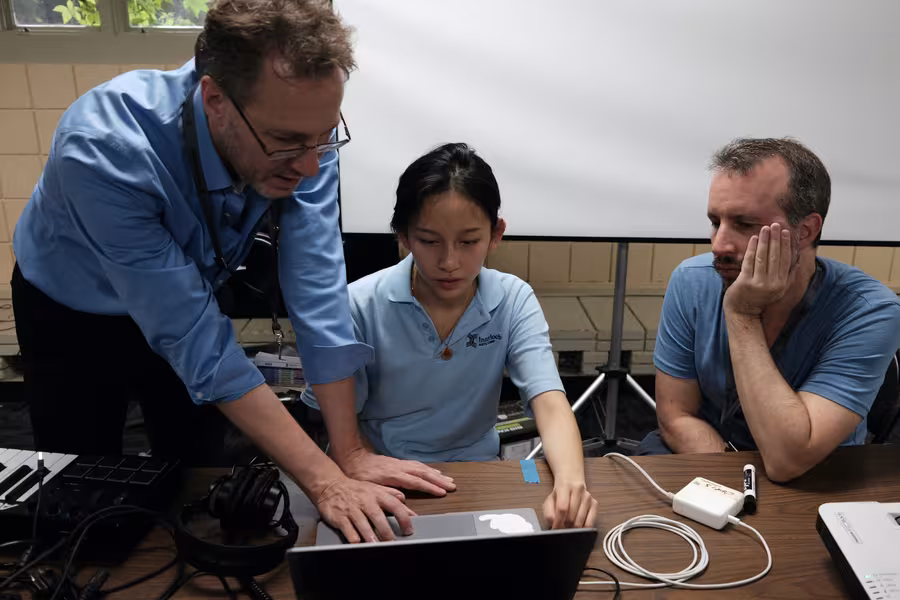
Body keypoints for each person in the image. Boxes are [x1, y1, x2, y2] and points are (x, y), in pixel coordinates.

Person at [10, 0, 454, 544]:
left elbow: (317, 289)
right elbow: (196, 341)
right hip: (72, 313)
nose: (311, 164)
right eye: (287, 143)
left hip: (190, 285)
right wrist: (325, 483)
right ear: (215, 100)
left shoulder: (300, 128)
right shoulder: (105, 150)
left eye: (323, 137)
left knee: (200, 474)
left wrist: (349, 452)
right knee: (82, 494)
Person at [305, 143, 598, 528]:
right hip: (383, 476)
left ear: (496, 234)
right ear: (403, 236)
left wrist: (572, 483)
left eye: (468, 242)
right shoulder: (358, 304)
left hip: (477, 474)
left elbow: (549, 401)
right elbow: (332, 422)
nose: (449, 262)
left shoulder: (513, 298)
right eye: (429, 241)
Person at [639, 137, 900, 482]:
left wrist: (743, 314)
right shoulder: (692, 281)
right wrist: (736, 486)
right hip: (709, 460)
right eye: (715, 222)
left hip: (816, 477)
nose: (719, 245)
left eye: (745, 224)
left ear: (805, 231)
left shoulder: (869, 311)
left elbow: (788, 459)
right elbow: (676, 417)